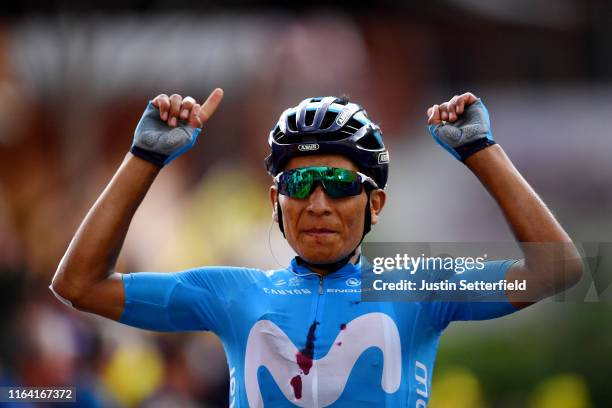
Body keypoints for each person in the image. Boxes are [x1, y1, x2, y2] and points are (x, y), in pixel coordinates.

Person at [50, 90, 583, 407]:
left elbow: (559, 269)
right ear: (274, 202)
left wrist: (480, 151)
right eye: (299, 185)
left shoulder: (413, 284)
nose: (319, 204)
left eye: (340, 183)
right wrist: (144, 157)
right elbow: (78, 285)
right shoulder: (232, 292)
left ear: (375, 204)